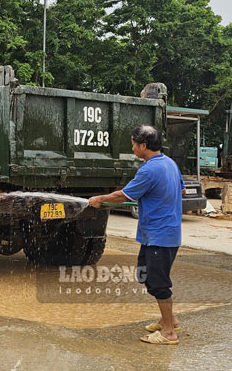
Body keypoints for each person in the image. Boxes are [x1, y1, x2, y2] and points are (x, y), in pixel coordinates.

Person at [89, 125, 183, 345]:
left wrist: (99, 199)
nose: (132, 148)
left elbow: (123, 195)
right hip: (164, 234)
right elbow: (181, 190)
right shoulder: (170, 164)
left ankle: (169, 332)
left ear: (143, 145)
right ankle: (169, 319)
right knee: (148, 276)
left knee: (158, 283)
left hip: (160, 236)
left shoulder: (149, 169)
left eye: (133, 143)